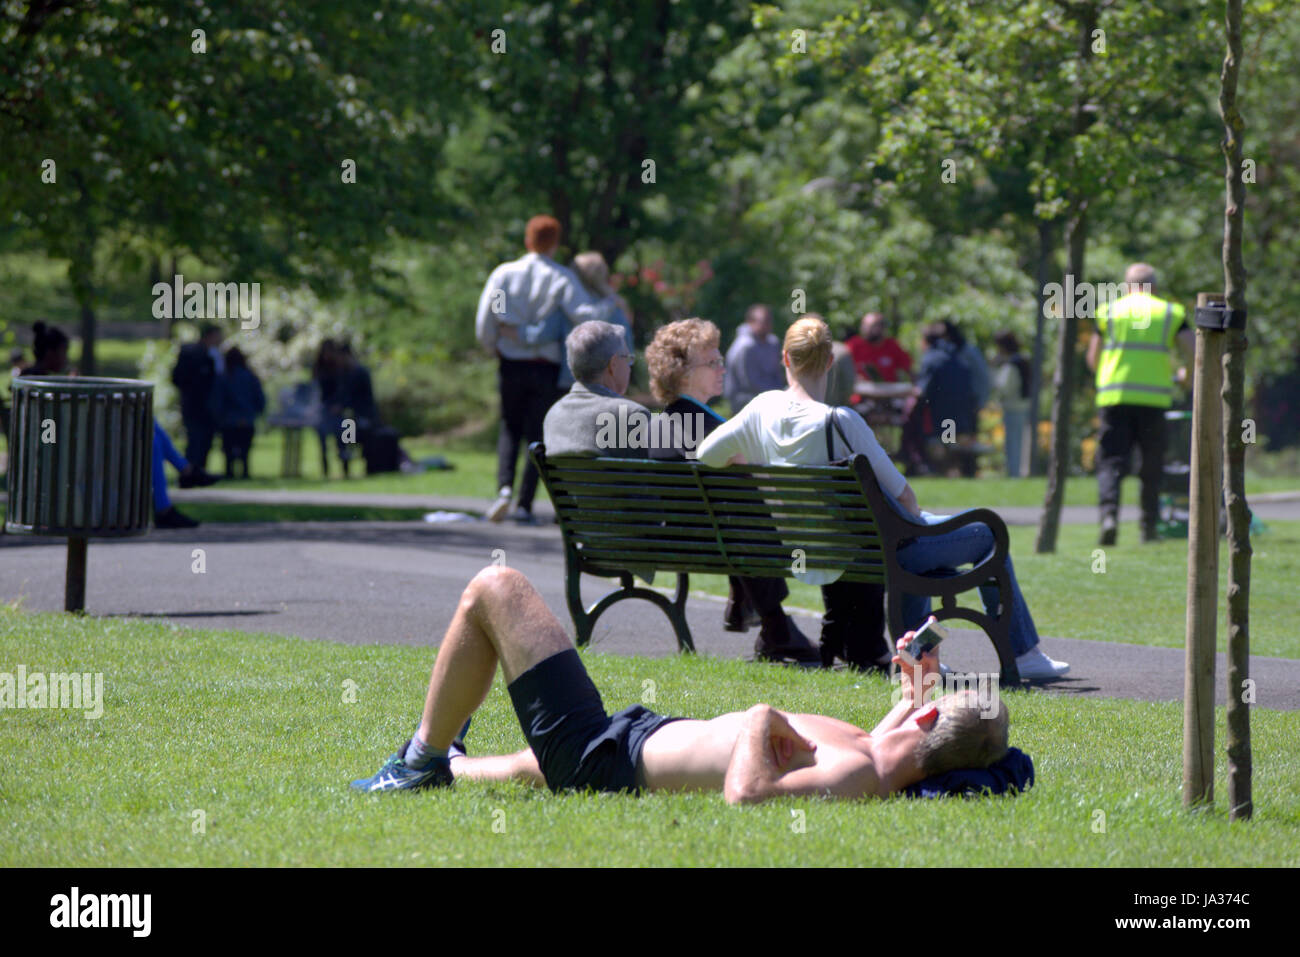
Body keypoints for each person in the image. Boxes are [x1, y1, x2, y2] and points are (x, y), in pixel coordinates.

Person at [350, 564, 1011, 802]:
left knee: (495, 589)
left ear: (930, 728)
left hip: (607, 757)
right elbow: (909, 716)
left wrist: (761, 717)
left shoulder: (855, 775)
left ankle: (418, 759)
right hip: (631, 739)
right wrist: (917, 674)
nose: (923, 701)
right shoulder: (876, 746)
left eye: (934, 701)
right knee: (515, 768)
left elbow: (747, 794)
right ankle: (448, 769)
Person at [697, 316, 1069, 680]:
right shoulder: (841, 420)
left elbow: (706, 454)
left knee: (929, 540)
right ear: (830, 362)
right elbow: (905, 496)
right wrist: (921, 523)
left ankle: (919, 656)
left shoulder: (760, 409)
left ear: (785, 359)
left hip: (811, 546)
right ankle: (1023, 653)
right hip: (876, 549)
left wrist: (756, 463)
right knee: (988, 532)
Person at [646, 318, 819, 665]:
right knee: (754, 517)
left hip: (685, 538)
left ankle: (767, 620)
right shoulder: (708, 427)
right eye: (712, 363)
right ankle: (776, 627)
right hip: (720, 541)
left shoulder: (659, 424)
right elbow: (753, 481)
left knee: (745, 517)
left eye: (720, 360)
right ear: (681, 373)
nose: (722, 368)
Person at [476, 215, 615, 525]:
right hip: (545, 366)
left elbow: (488, 316)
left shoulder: (504, 274)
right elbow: (583, 314)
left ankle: (503, 489)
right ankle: (525, 502)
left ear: (527, 240)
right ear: (555, 243)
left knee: (509, 427)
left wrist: (492, 344)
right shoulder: (561, 277)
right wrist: (611, 302)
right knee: (537, 432)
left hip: (510, 362)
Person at [1086, 263, 1194, 545]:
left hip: (1114, 397)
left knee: (1111, 462)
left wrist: (1104, 378)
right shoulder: (1170, 313)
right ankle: (1149, 528)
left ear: (1126, 286)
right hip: (1154, 399)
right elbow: (1194, 352)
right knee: (1152, 465)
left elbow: (1093, 358)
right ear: (1154, 286)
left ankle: (1109, 517)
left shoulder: (1109, 311)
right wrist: (1186, 378)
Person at [541, 321, 648, 470]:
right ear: (613, 364)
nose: (630, 367)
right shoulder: (632, 415)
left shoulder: (553, 415)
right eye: (628, 358)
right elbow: (648, 484)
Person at [171, 323, 224, 470]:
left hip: (209, 407)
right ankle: (189, 471)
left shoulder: (214, 355)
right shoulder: (192, 354)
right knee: (195, 439)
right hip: (195, 405)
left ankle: (199, 470)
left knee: (205, 440)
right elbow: (178, 378)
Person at [212, 346, 265, 479]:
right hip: (247, 419)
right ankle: (245, 473)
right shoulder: (251, 377)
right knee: (245, 451)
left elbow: (218, 400)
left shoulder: (223, 378)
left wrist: (218, 416)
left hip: (228, 421)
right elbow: (260, 398)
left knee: (228, 450)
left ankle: (230, 473)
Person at [723, 304, 784, 412]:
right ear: (750, 322)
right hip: (744, 400)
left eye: (769, 321)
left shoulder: (773, 342)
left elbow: (778, 373)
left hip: (767, 395)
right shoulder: (745, 346)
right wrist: (778, 394)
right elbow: (750, 383)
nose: (767, 325)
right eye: (762, 322)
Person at [992, 331, 1032, 478]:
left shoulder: (1011, 365)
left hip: (1013, 407)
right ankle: (1017, 472)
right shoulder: (1024, 360)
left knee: (1013, 444)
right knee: (1021, 443)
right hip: (1024, 406)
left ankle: (1014, 473)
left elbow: (1004, 387)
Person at [845, 312, 913, 384]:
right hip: (861, 392)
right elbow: (841, 368)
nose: (866, 329)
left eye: (872, 326)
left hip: (888, 392)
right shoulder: (853, 345)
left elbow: (908, 369)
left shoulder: (892, 345)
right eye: (864, 326)